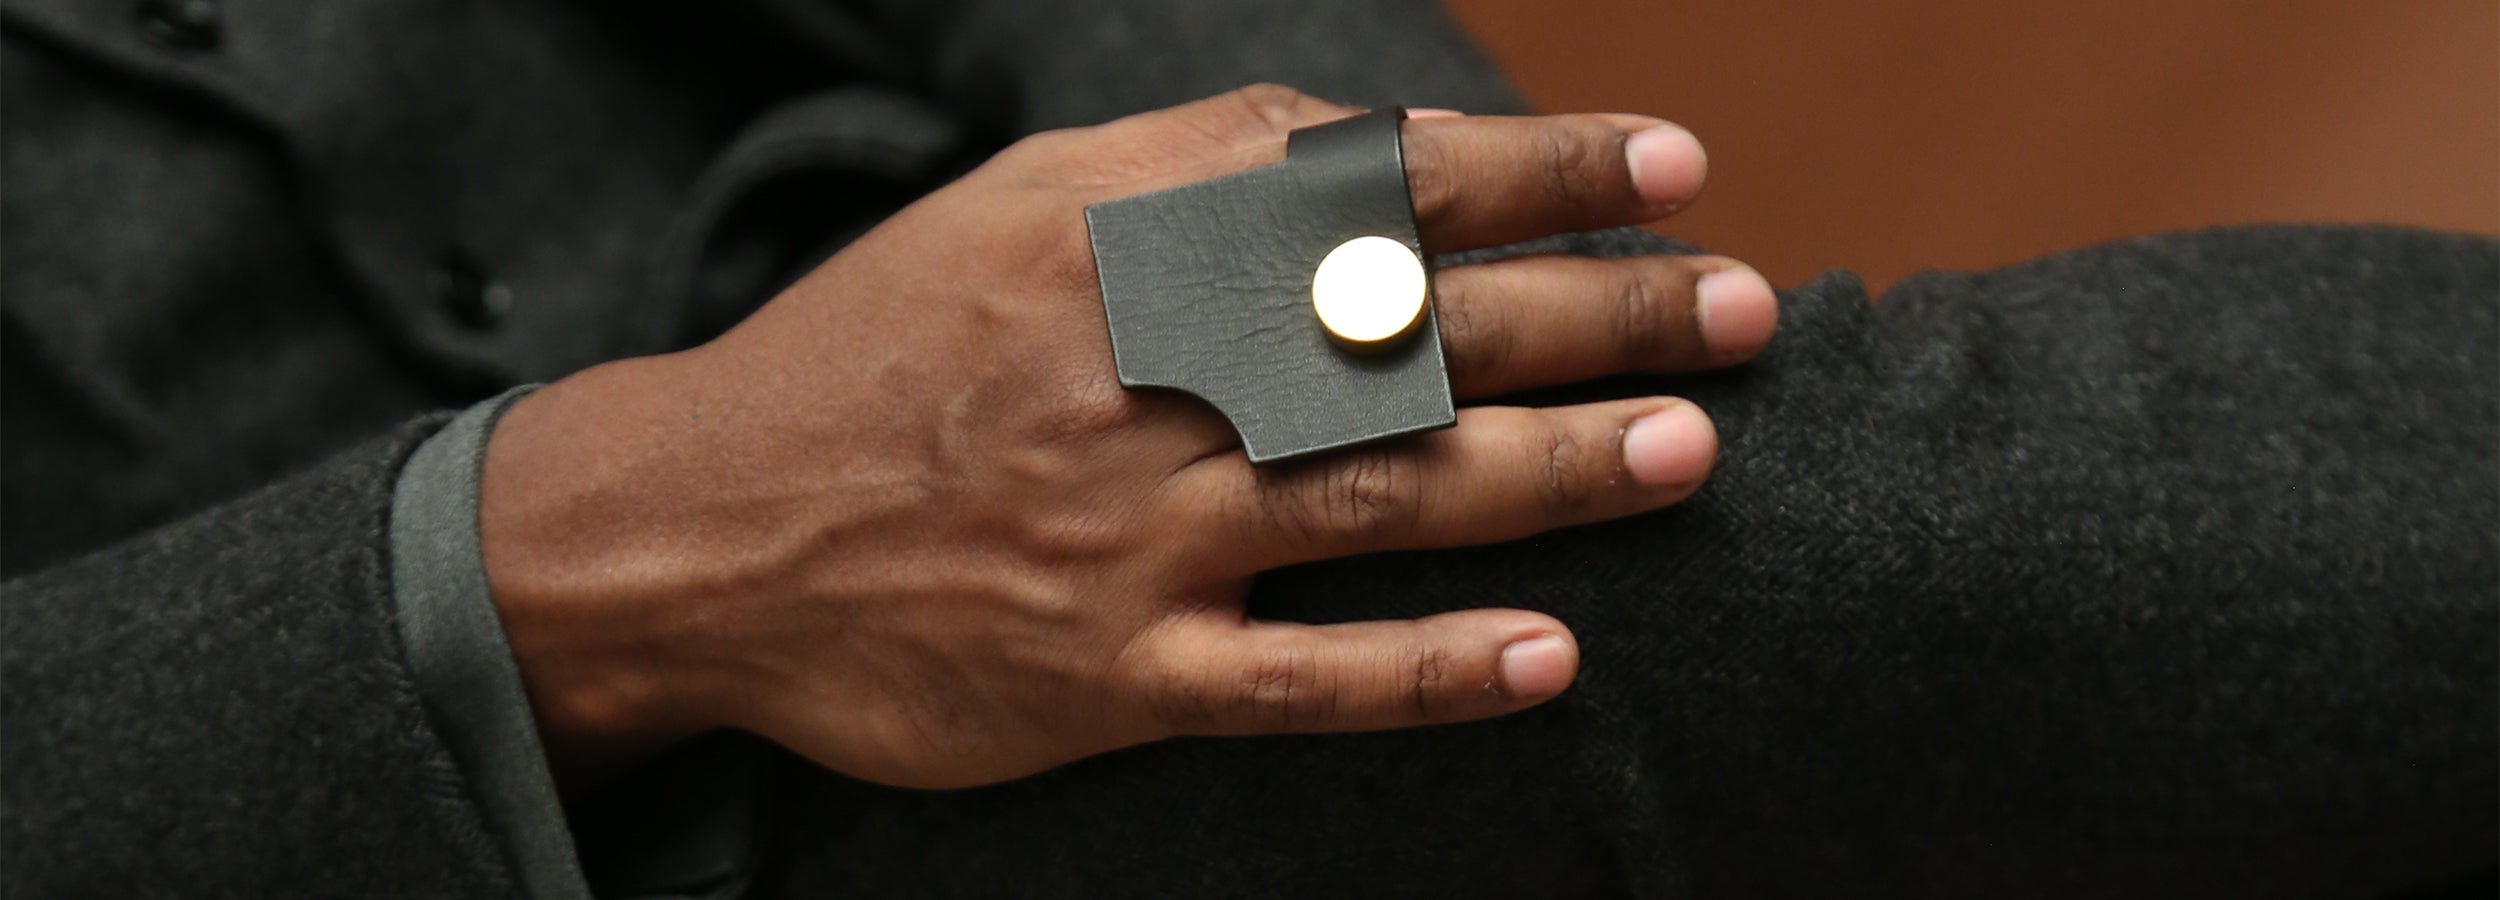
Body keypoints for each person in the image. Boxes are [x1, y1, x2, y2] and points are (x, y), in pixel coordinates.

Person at [2, 2, 2490, 898]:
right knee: (1799, 576)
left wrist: (1326, 211)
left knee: (1697, 507)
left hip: (1013, 306)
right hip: (335, 797)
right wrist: (577, 547)